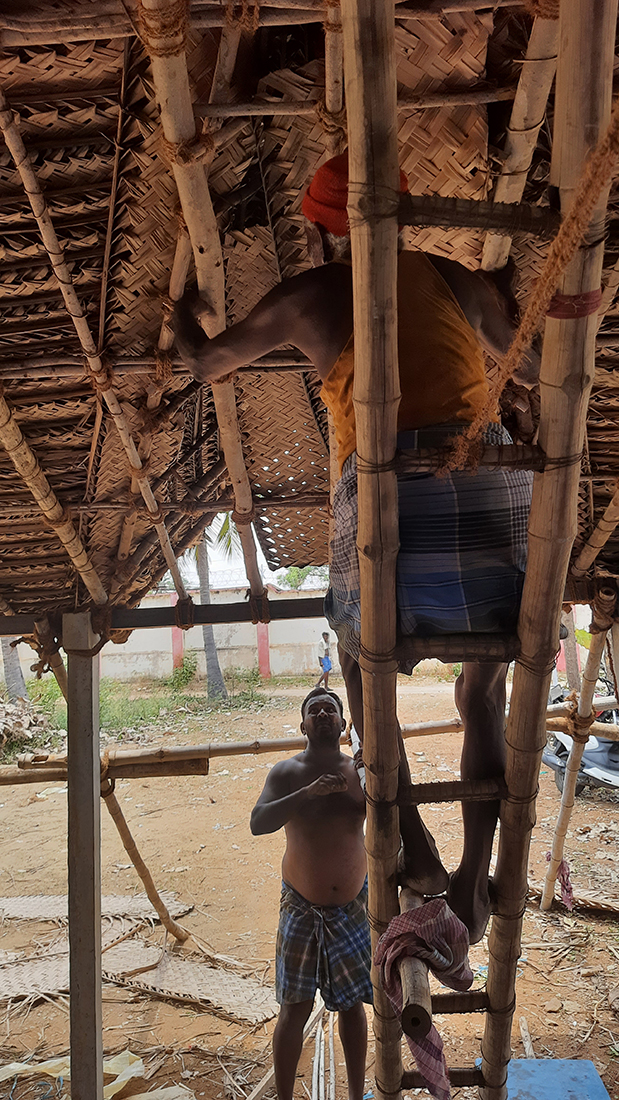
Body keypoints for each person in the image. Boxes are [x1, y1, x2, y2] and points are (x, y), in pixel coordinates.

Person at [173, 151, 539, 942]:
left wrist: (176, 316)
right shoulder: (448, 275)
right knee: (481, 697)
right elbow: (534, 364)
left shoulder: (311, 292)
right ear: (401, 220)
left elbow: (207, 363)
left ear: (318, 232)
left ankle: (416, 844)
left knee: (361, 674)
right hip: (487, 495)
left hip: (389, 508)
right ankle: (476, 883)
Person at [250, 687, 371, 1100]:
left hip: (353, 908)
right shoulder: (286, 772)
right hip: (301, 908)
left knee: (353, 1006)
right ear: (303, 725)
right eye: (314, 710)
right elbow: (258, 822)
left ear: (341, 724)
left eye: (330, 709)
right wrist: (307, 793)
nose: (322, 714)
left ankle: (356, 1095)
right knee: (295, 1008)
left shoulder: (360, 770)